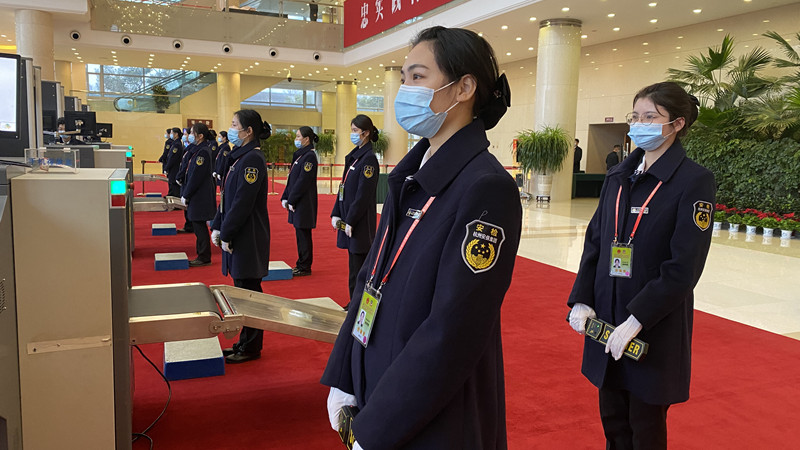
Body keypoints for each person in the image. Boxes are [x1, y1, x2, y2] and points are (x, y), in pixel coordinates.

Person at [322, 26, 521, 450]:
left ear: (463, 88)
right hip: (380, 377)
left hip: (431, 410)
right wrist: (343, 375)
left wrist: (376, 428)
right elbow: (370, 279)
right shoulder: (411, 175)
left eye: (417, 76)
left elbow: (454, 329)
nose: (405, 90)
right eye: (404, 79)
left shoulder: (485, 187)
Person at [567, 81, 715, 449]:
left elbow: (684, 265)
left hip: (652, 327)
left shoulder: (693, 181)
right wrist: (582, 298)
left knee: (645, 427)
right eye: (635, 116)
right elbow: (595, 241)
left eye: (650, 117)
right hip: (607, 319)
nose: (639, 124)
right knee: (614, 423)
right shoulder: (618, 176)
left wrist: (638, 319)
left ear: (676, 124)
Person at [210, 109, 272, 364]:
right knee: (242, 291)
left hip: (248, 236)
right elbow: (227, 198)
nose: (231, 129)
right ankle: (244, 342)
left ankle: (251, 346)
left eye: (235, 125)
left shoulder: (252, 159)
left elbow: (242, 203)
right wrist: (218, 225)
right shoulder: (240, 157)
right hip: (239, 232)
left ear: (248, 131)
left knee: (249, 294)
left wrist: (227, 231)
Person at [330, 114, 380, 302]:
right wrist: (336, 213)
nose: (352, 134)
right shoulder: (354, 157)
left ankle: (357, 304)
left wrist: (350, 220)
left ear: (365, 133)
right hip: (349, 219)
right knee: (353, 266)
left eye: (355, 131)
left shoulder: (369, 160)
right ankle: (353, 302)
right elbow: (343, 188)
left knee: (359, 268)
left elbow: (363, 195)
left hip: (360, 223)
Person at [281, 126, 318, 277]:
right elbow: (292, 179)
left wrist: (292, 199)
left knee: (303, 234)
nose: (296, 139)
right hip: (297, 201)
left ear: (306, 139)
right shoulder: (300, 156)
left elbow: (303, 181)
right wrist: (285, 196)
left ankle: (305, 265)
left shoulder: (309, 157)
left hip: (304, 203)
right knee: (300, 234)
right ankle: (301, 262)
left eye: (298, 136)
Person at [182, 122, 216, 267]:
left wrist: (186, 194)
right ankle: (201, 254)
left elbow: (196, 176)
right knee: (197, 225)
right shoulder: (197, 150)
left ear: (200, 136)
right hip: (197, 194)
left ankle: (204, 256)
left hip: (200, 195)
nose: (189, 136)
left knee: (199, 225)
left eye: (192, 133)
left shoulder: (203, 152)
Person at [177, 128, 197, 233]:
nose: (184, 136)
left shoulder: (194, 149)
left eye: (186, 134)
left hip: (188, 181)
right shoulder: (188, 148)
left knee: (188, 205)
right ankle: (188, 225)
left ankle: (190, 225)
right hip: (184, 180)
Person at [164, 127, 184, 198]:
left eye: (172, 133)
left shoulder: (177, 144)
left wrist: (167, 167)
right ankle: (171, 194)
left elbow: (172, 158)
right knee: (171, 182)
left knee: (173, 182)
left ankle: (174, 196)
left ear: (176, 134)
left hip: (175, 167)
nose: (170, 135)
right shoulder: (174, 143)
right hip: (173, 167)